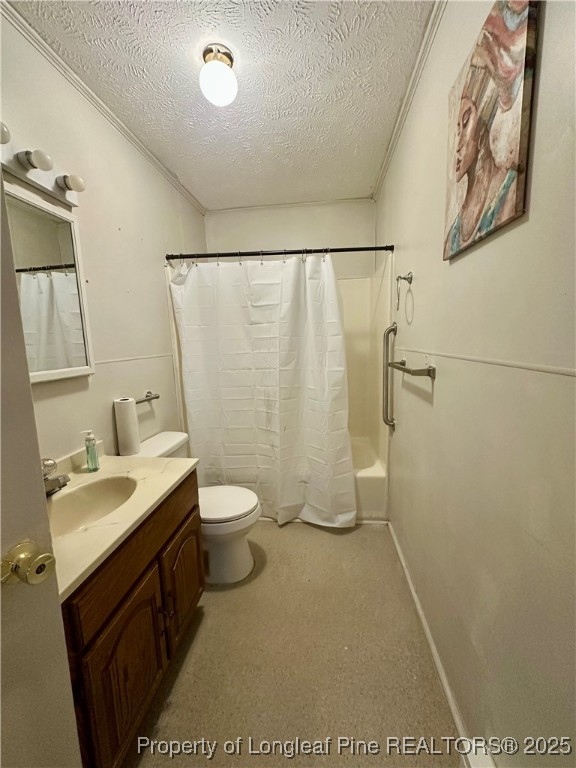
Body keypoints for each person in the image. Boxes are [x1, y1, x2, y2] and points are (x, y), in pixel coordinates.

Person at [444, 66, 518, 259]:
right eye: (457, 131)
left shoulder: (509, 190)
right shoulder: (452, 236)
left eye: (466, 123)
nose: (458, 145)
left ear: (483, 127)